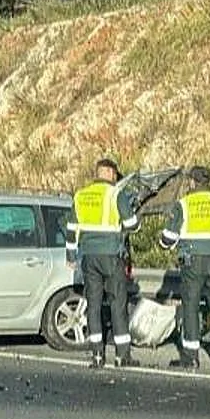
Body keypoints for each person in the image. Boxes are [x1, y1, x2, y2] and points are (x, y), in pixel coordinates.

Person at [66, 157, 141, 369]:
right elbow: (131, 225)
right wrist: (135, 219)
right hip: (111, 255)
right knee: (118, 303)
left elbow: (72, 229)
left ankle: (97, 355)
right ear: (109, 173)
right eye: (115, 174)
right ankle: (122, 355)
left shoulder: (81, 195)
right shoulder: (116, 194)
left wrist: (71, 257)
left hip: (89, 257)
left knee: (94, 304)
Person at [159, 166, 210, 369]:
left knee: (190, 306)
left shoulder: (183, 204)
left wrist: (163, 242)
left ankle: (191, 356)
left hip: (192, 261)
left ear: (192, 182)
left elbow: (169, 238)